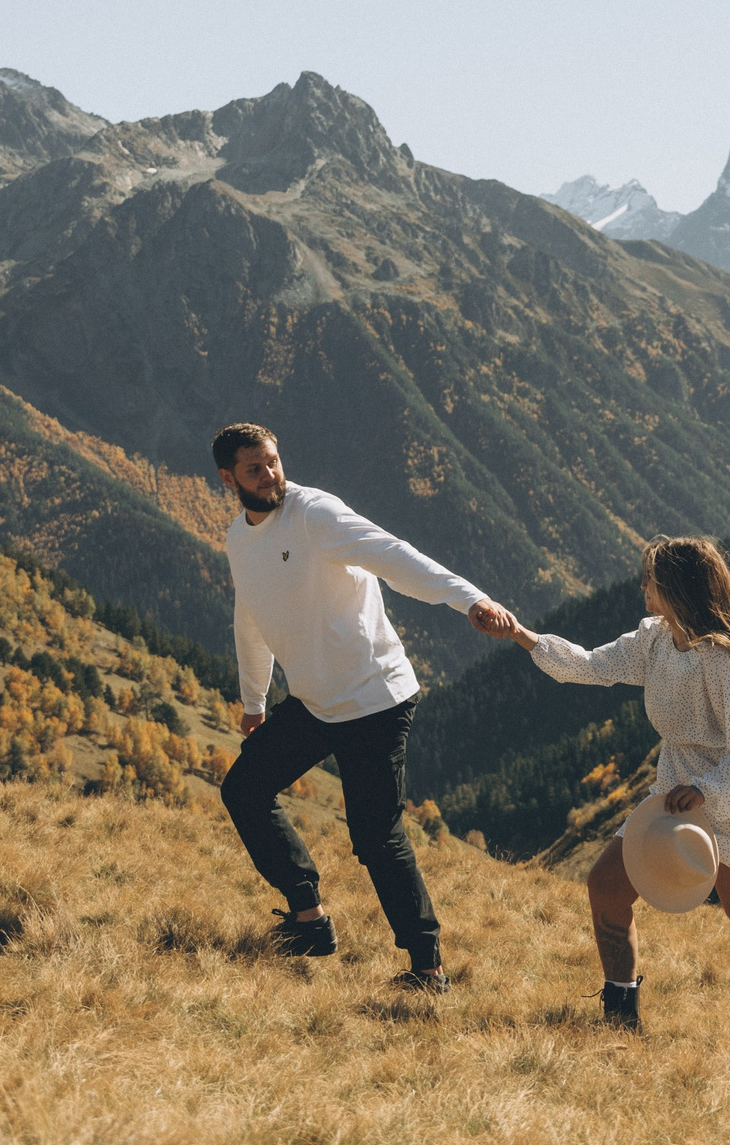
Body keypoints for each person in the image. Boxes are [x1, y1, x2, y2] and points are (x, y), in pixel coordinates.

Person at [210, 421, 516, 991]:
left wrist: (468, 599)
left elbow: (393, 556)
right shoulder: (238, 539)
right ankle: (308, 919)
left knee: (376, 837)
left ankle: (428, 969)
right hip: (315, 701)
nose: (270, 473)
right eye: (254, 468)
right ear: (229, 478)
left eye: (273, 461)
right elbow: (249, 618)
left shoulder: (315, 514)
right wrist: (254, 701)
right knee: (245, 791)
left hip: (375, 700)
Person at [497, 537, 730, 1045]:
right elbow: (590, 666)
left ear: (675, 588)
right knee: (606, 885)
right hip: (674, 794)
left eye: (651, 579)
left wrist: (705, 791)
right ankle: (621, 1015)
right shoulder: (655, 640)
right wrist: (520, 634)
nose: (643, 587)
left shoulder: (719, 660)